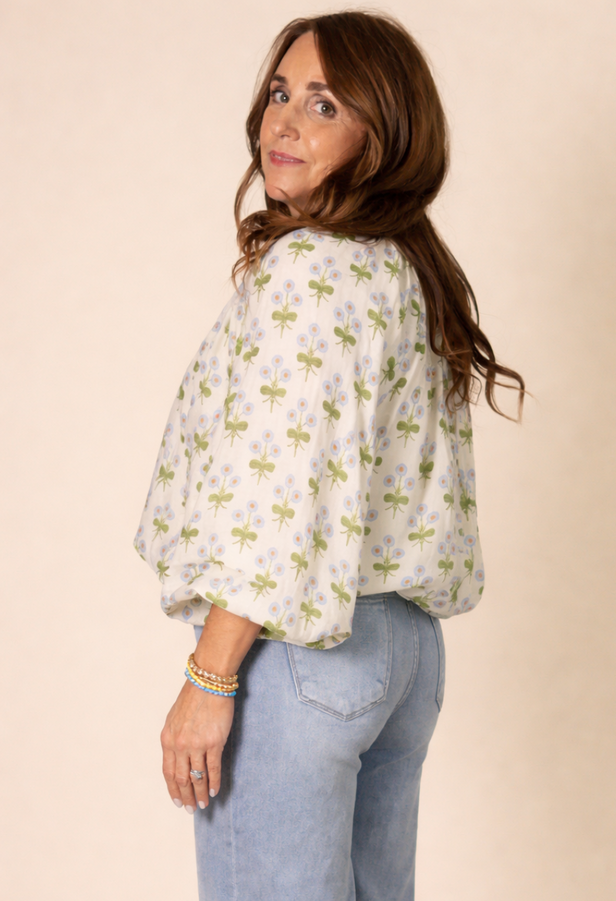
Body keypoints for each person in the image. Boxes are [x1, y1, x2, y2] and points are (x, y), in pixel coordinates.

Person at [134, 10, 525, 901]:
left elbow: (281, 489)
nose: (283, 123)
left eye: (323, 104)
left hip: (298, 650)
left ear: (379, 138)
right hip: (401, 652)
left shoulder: (312, 269)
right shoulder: (406, 269)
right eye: (280, 93)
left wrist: (209, 674)